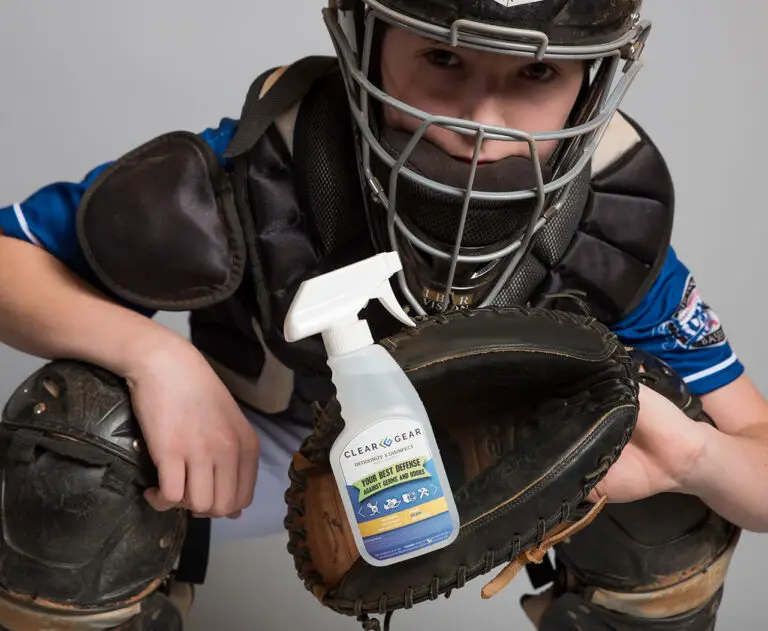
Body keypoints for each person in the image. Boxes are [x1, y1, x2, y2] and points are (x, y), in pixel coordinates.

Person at [0, 0, 766, 629]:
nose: (483, 121)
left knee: (672, 437)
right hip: (271, 453)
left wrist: (693, 459)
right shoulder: (258, 172)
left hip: (492, 466)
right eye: (442, 58)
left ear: (593, 75)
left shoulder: (605, 231)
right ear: (366, 40)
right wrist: (155, 356)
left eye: (536, 70)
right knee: (76, 440)